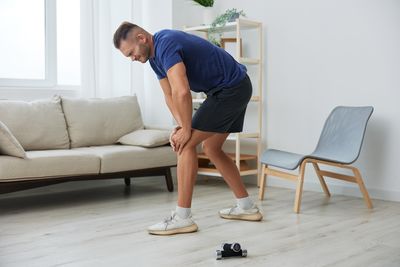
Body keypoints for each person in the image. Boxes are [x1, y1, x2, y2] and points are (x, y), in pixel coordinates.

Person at [113, 22, 262, 236]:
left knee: (185, 145)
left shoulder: (166, 44)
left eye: (131, 53)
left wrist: (186, 131)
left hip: (230, 89)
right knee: (212, 148)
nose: (132, 59)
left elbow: (182, 91)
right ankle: (247, 207)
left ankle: (182, 218)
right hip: (233, 88)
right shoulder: (155, 59)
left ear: (141, 38)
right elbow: (169, 94)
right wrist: (182, 125)